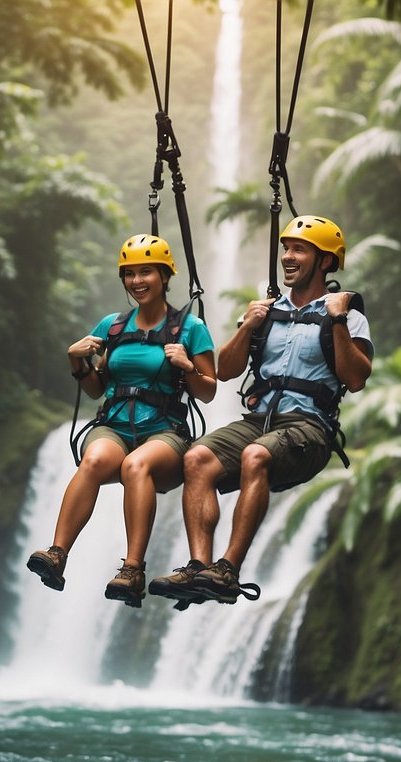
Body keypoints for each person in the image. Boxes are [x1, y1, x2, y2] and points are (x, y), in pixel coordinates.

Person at [148, 215, 372, 606]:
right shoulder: (266, 311)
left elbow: (354, 378)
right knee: (197, 457)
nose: (287, 256)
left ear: (324, 262)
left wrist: (336, 319)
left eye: (298, 249)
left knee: (256, 455)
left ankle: (228, 570)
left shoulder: (349, 315)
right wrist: (247, 326)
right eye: (286, 248)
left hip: (310, 428)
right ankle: (199, 567)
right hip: (259, 420)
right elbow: (226, 370)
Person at [27, 234, 217, 607]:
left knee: (136, 464)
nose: (137, 281)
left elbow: (208, 390)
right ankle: (57, 554)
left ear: (165, 276)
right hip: (113, 424)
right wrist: (75, 362)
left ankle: (132, 570)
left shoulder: (190, 328)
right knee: (94, 460)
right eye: (129, 274)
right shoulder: (111, 326)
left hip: (164, 430)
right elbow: (97, 388)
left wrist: (187, 366)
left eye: (146, 272)